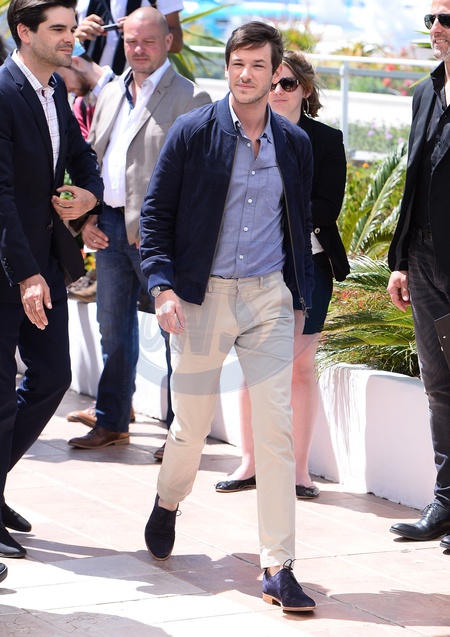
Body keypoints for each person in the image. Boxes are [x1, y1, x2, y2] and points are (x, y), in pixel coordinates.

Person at [140, 21, 317, 612]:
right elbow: (157, 216)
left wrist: (300, 298)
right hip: (202, 300)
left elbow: (298, 226)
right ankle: (168, 500)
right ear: (228, 67)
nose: (246, 74)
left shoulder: (294, 143)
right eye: (238, 63)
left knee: (275, 431)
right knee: (190, 428)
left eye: (258, 65)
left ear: (275, 72)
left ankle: (278, 565)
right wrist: (163, 287)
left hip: (267, 300)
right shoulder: (194, 131)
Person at [67, 7, 210, 450]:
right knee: (113, 328)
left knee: (173, 336)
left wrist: (167, 230)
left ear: (168, 41)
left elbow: (198, 181)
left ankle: (180, 435)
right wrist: (88, 218)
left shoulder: (191, 98)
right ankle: (112, 421)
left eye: (148, 40)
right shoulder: (111, 91)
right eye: (131, 41)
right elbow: (95, 158)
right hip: (108, 225)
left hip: (159, 234)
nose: (139, 49)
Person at [215, 50, 349, 499]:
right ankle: (250, 462)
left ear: (305, 89)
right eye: (271, 82)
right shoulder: (240, 131)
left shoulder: (326, 140)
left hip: (308, 267)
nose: (277, 91)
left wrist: (269, 209)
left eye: (287, 83)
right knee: (253, 366)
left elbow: (326, 207)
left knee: (299, 369)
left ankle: (299, 471)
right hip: (253, 264)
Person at [0, 0, 103, 558]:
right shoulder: (2, 91)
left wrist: (90, 198)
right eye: (58, 29)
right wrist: (27, 275)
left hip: (45, 259)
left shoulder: (55, 88)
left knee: (52, 377)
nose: (71, 38)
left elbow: (81, 156)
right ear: (25, 32)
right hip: (10, 266)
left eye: (71, 28)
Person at [387, 2, 450, 549]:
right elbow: (413, 179)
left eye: (447, 18)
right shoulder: (425, 92)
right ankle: (446, 501)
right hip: (426, 261)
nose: (437, 29)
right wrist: (401, 260)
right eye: (432, 18)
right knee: (439, 386)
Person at [75, 0, 183, 75]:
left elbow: (176, 43)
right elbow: (68, 38)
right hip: (83, 90)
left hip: (138, 91)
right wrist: (76, 36)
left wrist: (141, 28)